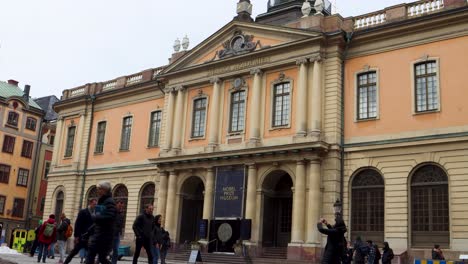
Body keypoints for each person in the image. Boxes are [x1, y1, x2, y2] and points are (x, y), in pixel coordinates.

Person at [85, 181, 117, 264]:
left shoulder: (109, 201)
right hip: (99, 234)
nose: (98, 191)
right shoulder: (102, 201)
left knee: (94, 257)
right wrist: (89, 231)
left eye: (99, 189)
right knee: (99, 258)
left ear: (104, 190)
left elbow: (110, 217)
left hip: (104, 235)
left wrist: (96, 217)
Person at [64, 198, 97, 264]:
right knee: (74, 252)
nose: (95, 206)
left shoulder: (95, 213)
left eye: (96, 204)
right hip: (82, 237)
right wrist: (76, 236)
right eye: (94, 204)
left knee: (91, 253)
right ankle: (66, 262)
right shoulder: (83, 212)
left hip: (90, 238)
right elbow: (77, 224)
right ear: (90, 203)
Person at [111, 199, 125, 264]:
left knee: (116, 251)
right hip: (110, 234)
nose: (121, 207)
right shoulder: (111, 212)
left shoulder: (121, 214)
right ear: (116, 205)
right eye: (119, 206)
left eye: (122, 206)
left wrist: (120, 232)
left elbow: (121, 224)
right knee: (106, 251)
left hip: (117, 235)